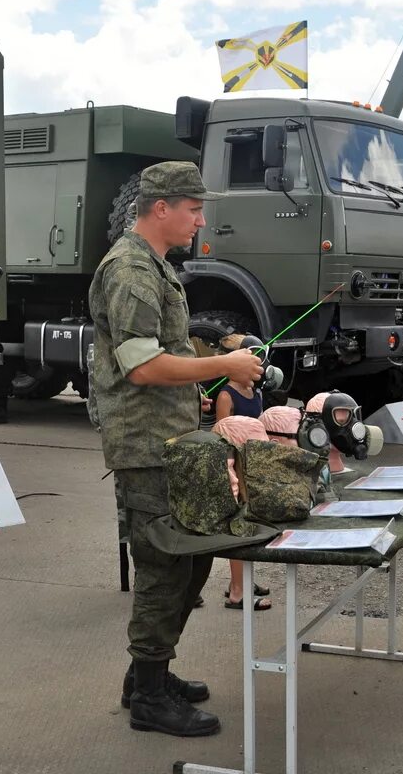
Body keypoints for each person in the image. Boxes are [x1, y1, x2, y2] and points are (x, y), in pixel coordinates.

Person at [89, 161, 263, 737]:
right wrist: (226, 364)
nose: (200, 219)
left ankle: (149, 676)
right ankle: (148, 697)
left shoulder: (155, 267)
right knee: (165, 566)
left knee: (192, 557)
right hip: (147, 443)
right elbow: (141, 366)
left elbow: (161, 342)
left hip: (172, 438)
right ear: (160, 208)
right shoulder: (132, 270)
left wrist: (215, 341)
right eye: (193, 208)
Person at [214, 367, 269, 612]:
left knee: (251, 524)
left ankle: (242, 580)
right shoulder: (226, 395)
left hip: (252, 461)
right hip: (235, 462)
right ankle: (238, 591)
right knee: (239, 525)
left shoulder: (254, 391)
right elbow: (222, 433)